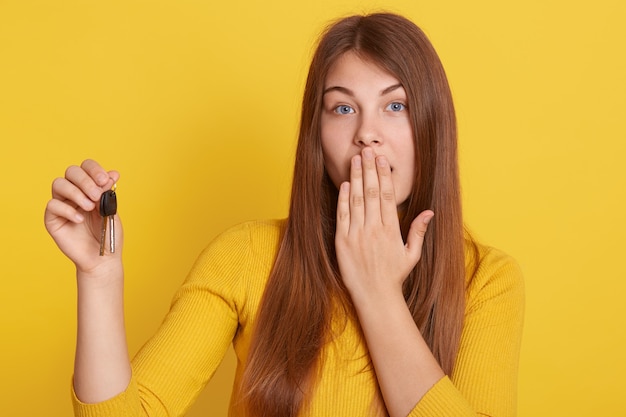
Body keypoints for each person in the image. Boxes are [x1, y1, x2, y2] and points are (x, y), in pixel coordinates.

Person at [44, 12, 524, 417]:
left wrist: (377, 291)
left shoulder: (486, 279)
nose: (367, 134)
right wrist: (99, 277)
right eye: (341, 109)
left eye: (394, 105)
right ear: (315, 134)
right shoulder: (246, 255)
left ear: (431, 126)